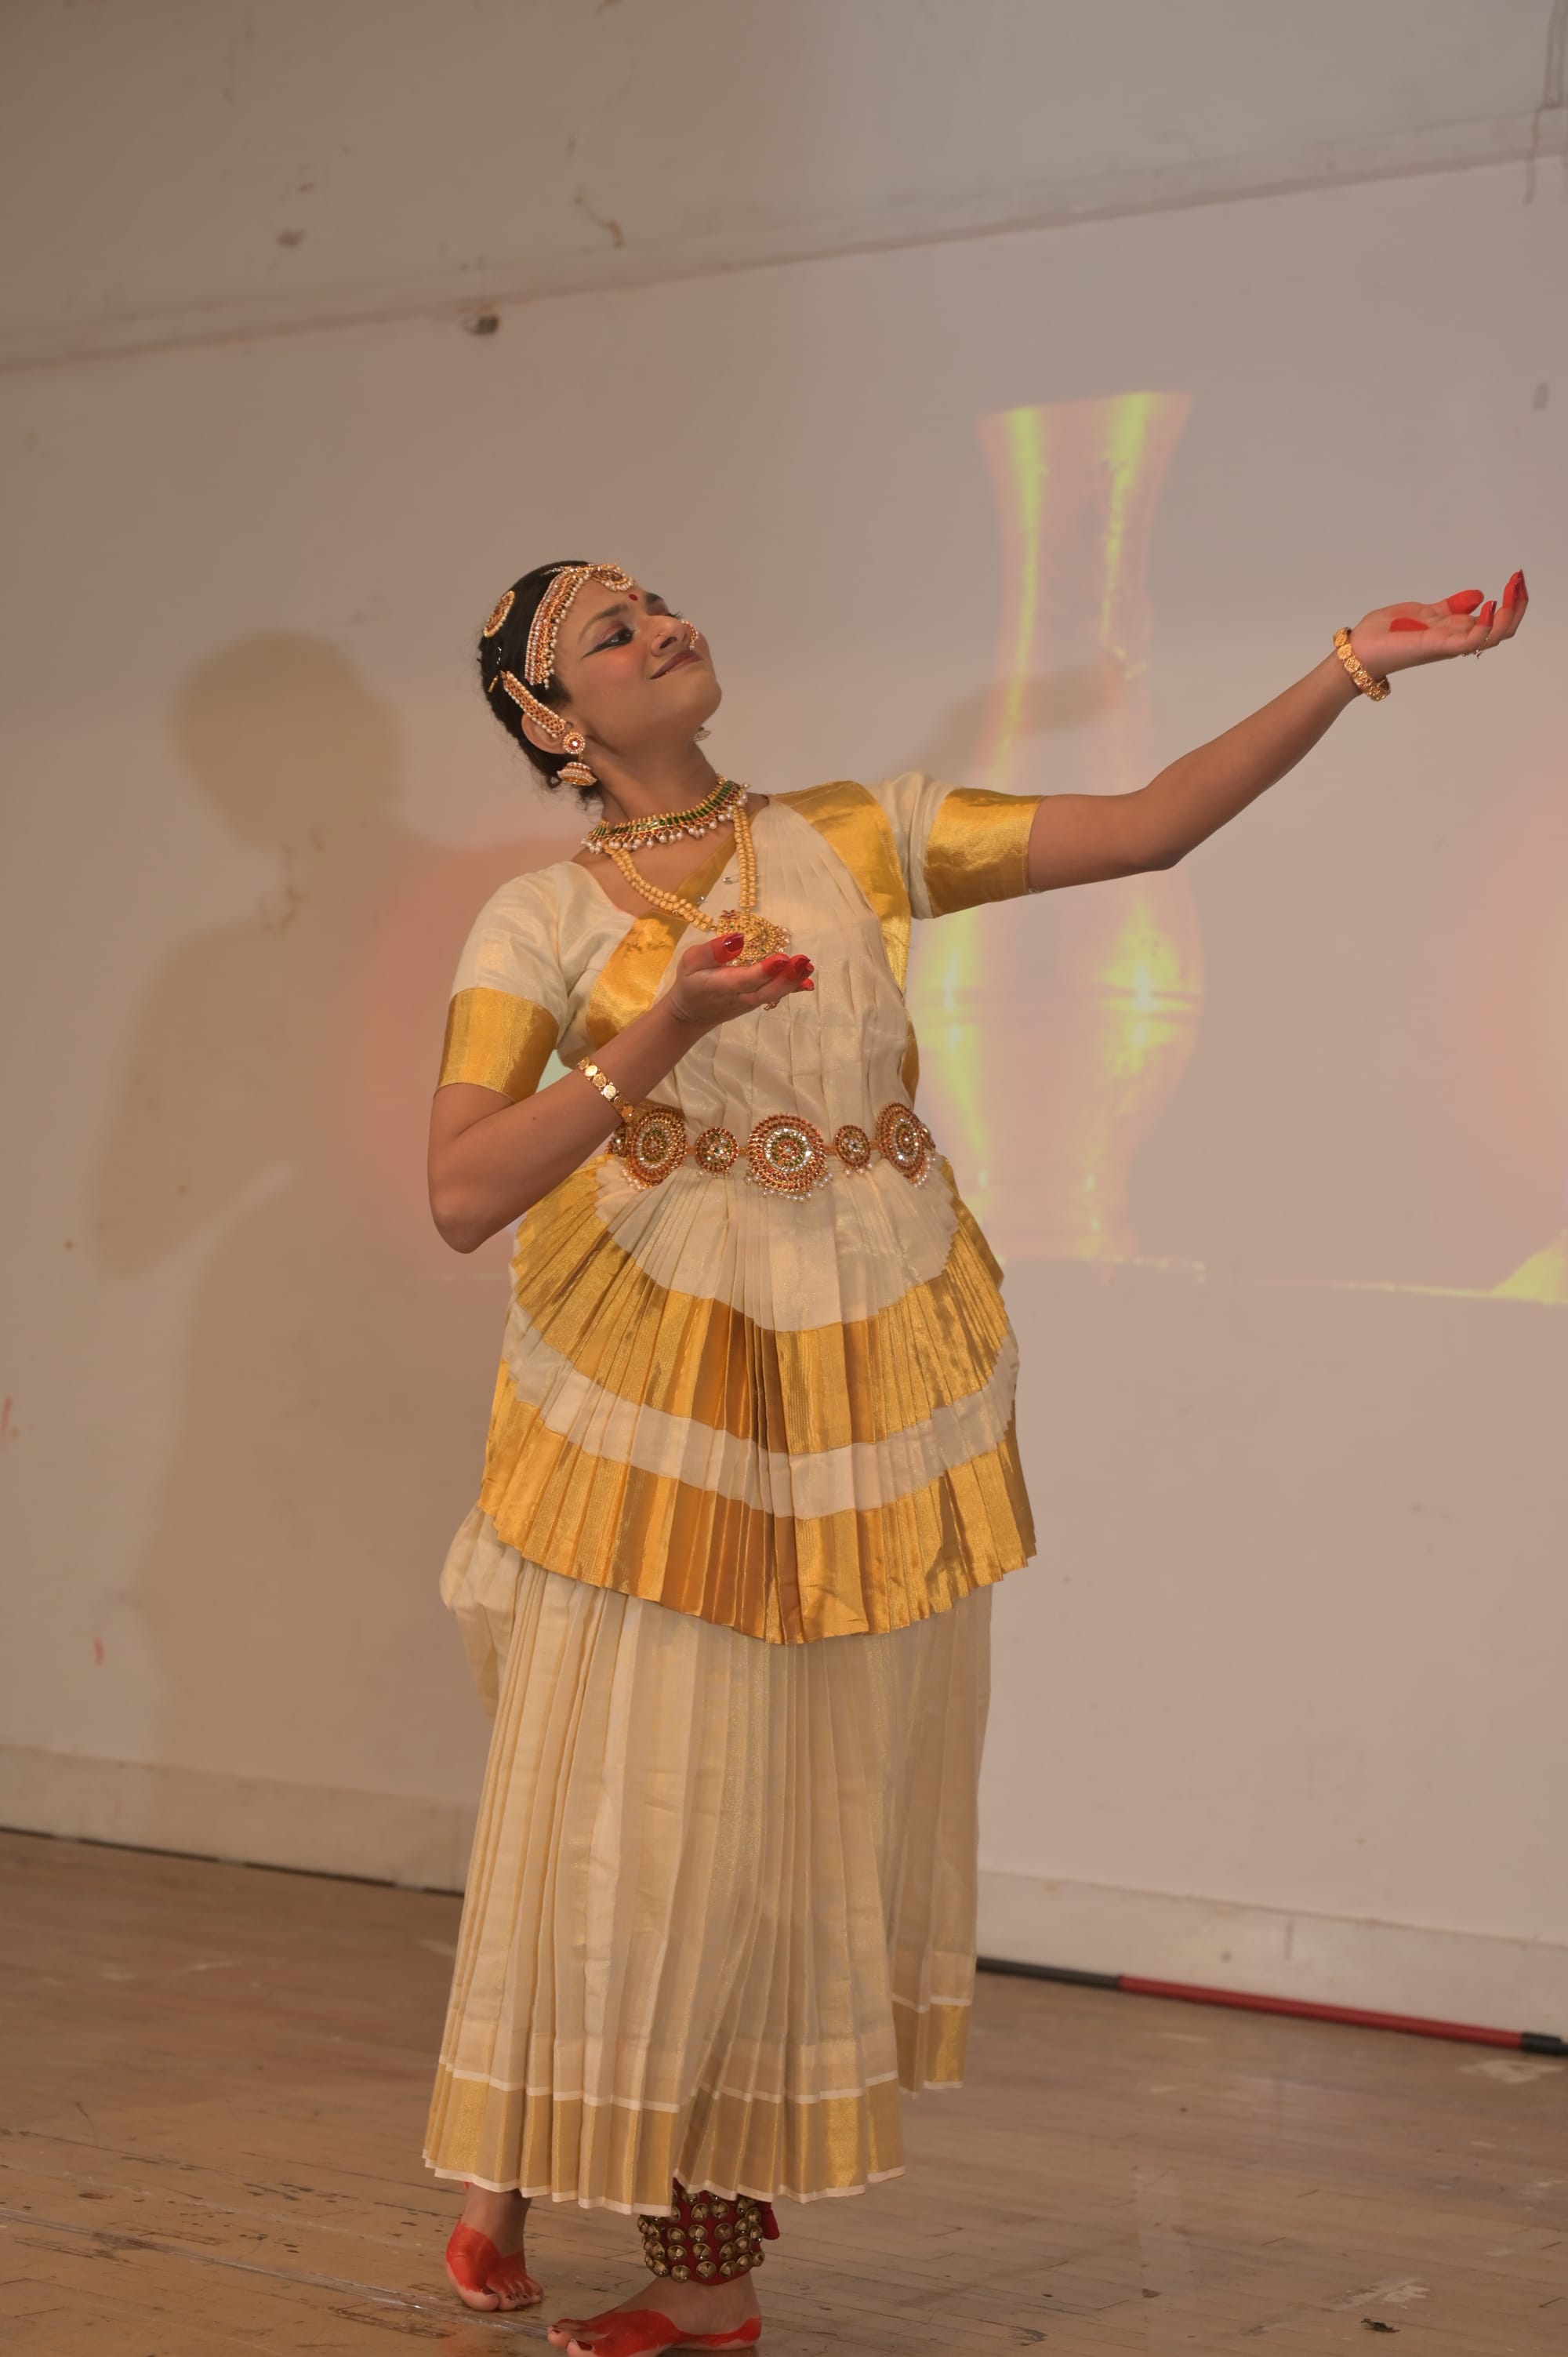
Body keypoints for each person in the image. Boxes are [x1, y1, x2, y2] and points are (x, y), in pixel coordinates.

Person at [421, 558, 1527, 2356]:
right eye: (607, 635)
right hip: (653, 1389)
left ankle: (653, 2250)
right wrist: (668, 1023)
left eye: (658, 603)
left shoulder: (854, 832)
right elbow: (464, 1190)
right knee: (638, 1799)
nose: (661, 628)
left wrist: (1347, 666)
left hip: (867, 1382)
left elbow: (1150, 826)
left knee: (780, 1810)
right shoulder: (535, 920)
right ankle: (568, 2194)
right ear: (552, 722)